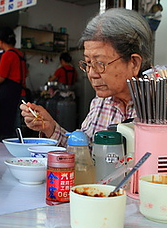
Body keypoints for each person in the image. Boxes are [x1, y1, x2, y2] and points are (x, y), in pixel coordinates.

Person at [20, 8, 152, 147]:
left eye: (100, 63)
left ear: (134, 63)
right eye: (88, 63)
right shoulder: (101, 103)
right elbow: (86, 154)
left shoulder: (163, 107)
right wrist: (50, 127)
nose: (92, 74)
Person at [0, 26, 27, 139]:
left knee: (8, 125)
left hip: (10, 95)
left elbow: (0, 78)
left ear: (0, 41)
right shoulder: (19, 54)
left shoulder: (8, 55)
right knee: (17, 125)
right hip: (21, 93)